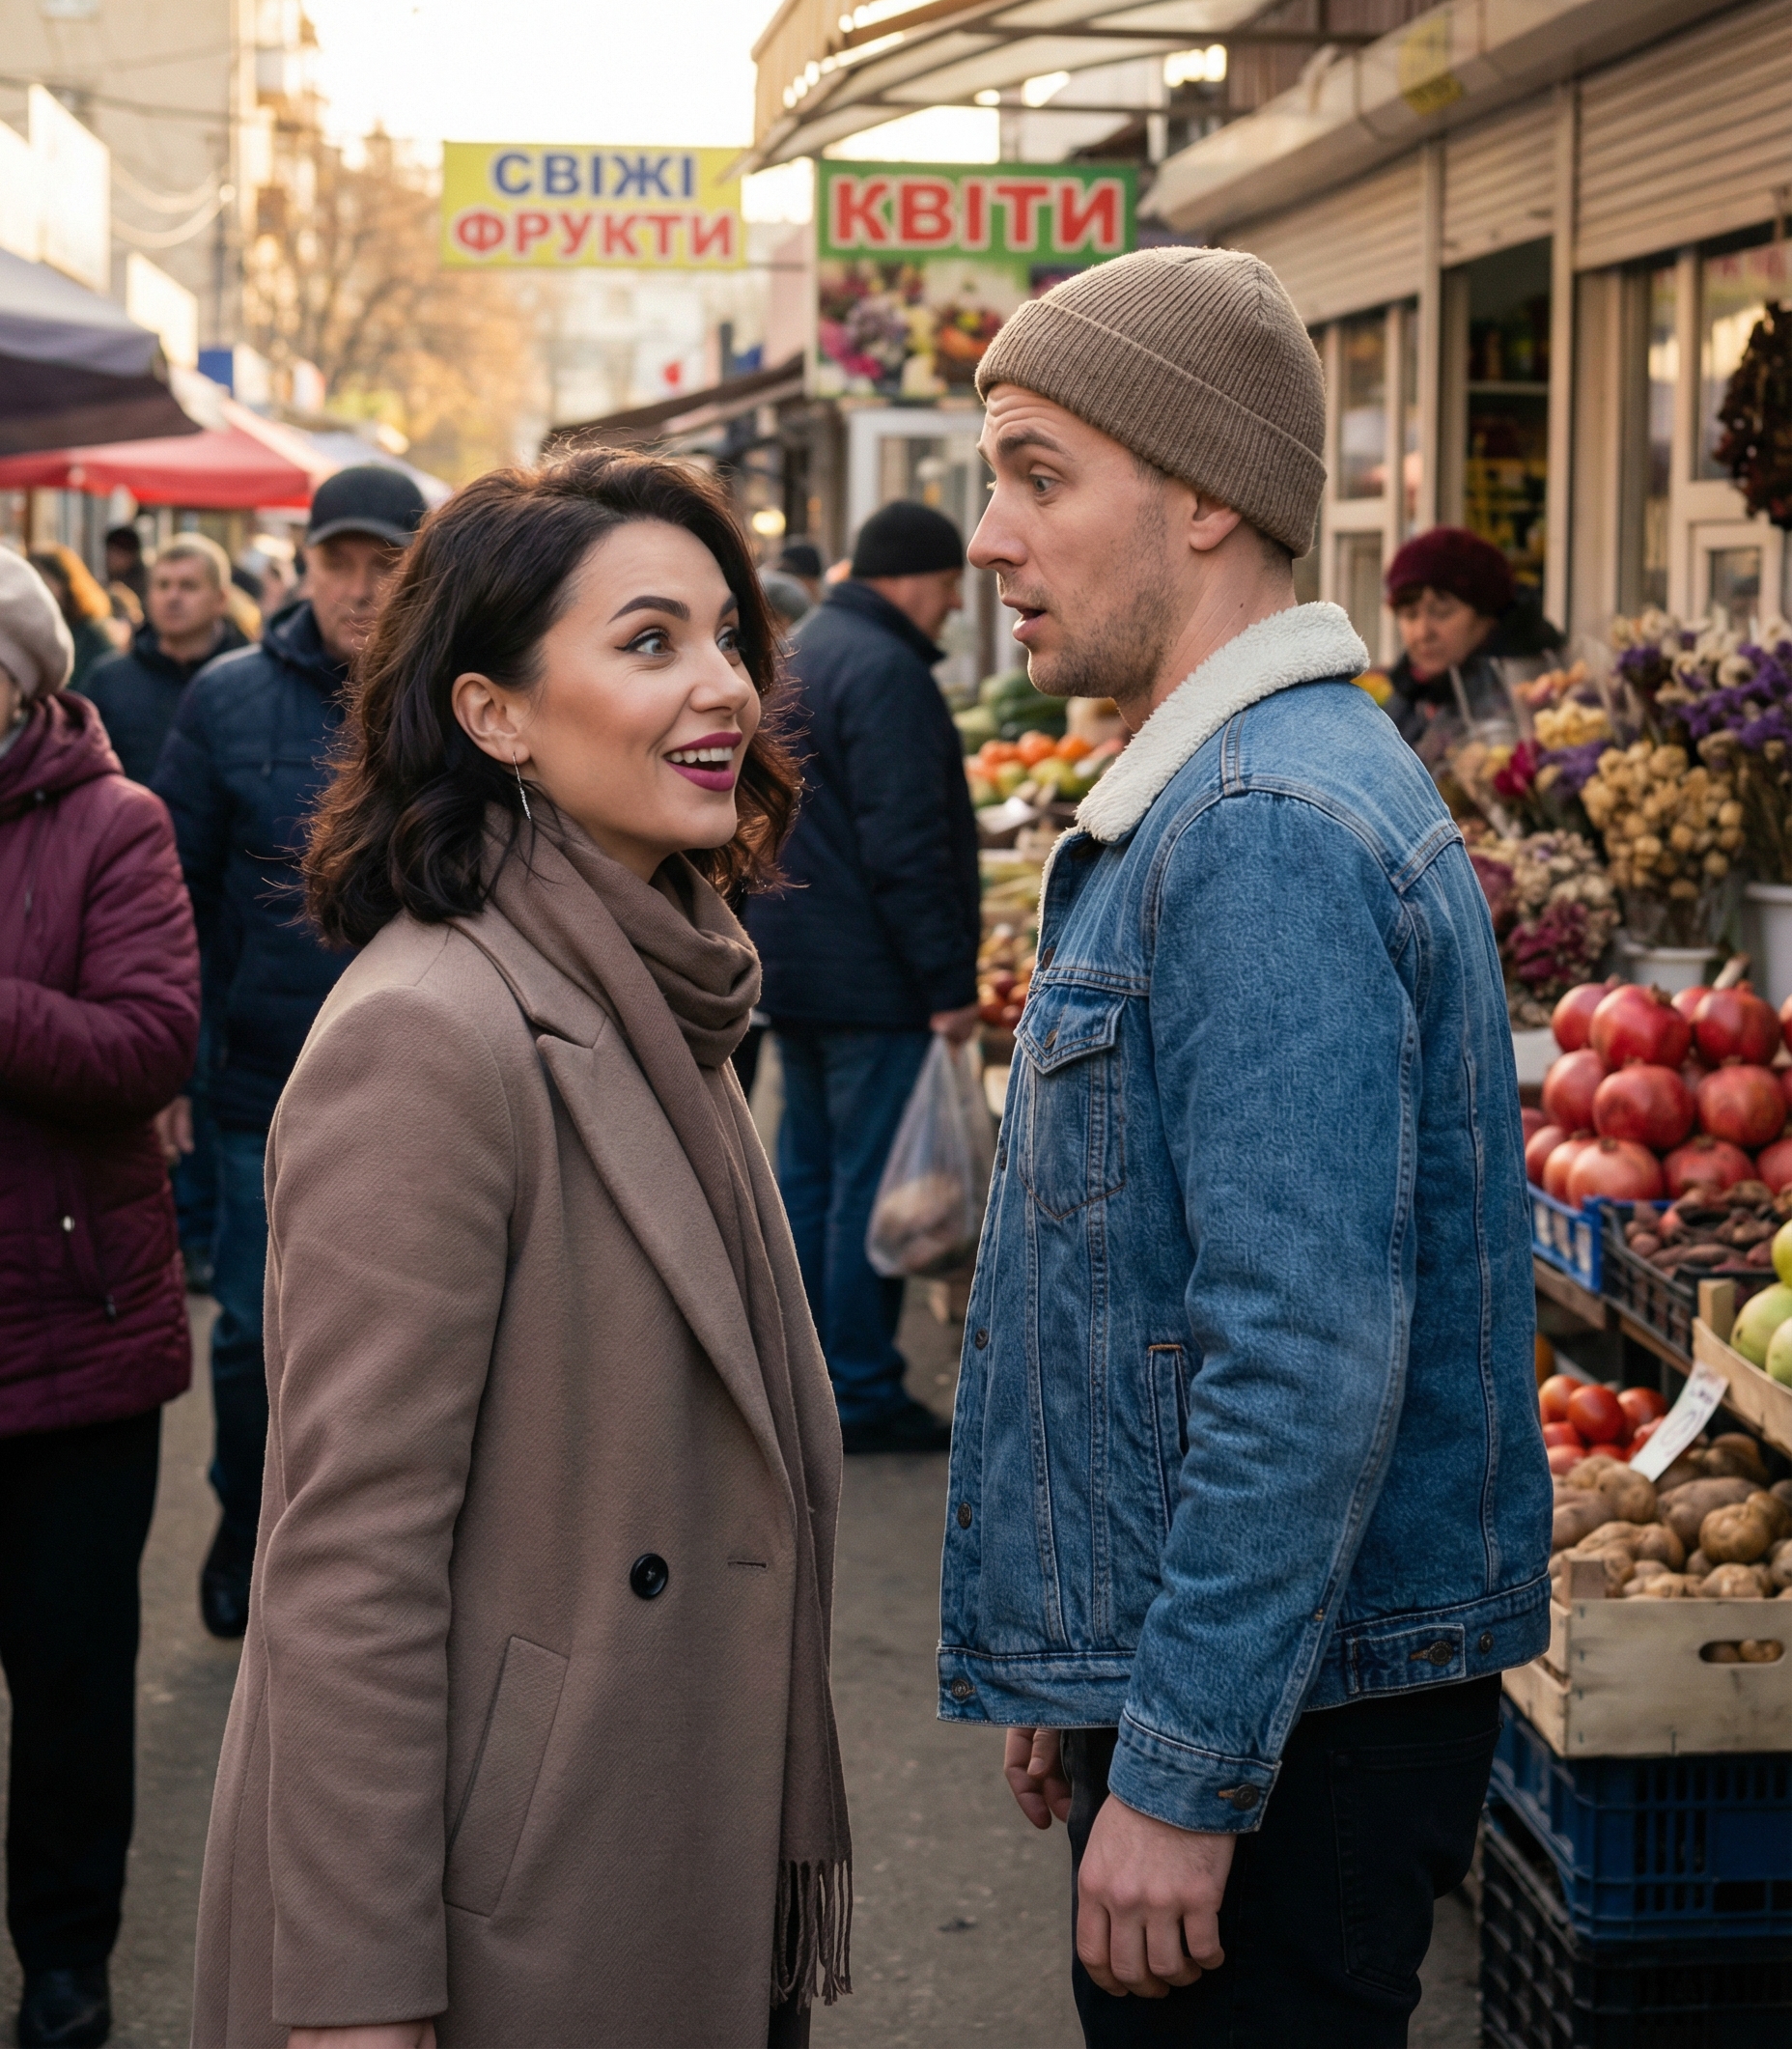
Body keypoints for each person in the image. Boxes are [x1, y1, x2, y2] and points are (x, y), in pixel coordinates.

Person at [941, 249, 1552, 2044]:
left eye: (1037, 473)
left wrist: (1189, 1763)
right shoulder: (1229, 790)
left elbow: (1297, 1357)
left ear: (1205, 494)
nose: (990, 535)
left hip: (1299, 1725)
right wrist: (1092, 1642)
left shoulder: (1265, 823)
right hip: (1280, 1679)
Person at [191, 449, 850, 2049]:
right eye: (648, 641)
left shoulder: (661, 976)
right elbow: (347, 1563)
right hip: (510, 1906)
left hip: (671, 1823)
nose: (724, 689)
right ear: (495, 713)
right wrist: (355, 1996)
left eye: (726, 636)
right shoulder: (433, 1031)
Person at [152, 463, 427, 1640]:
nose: (359, 590)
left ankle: (367, 1562)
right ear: (303, 565)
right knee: (258, 1333)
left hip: (425, 1082)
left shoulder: (461, 695)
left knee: (404, 1337)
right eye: (337, 563)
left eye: (385, 565)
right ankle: (244, 1519)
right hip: (261, 1077)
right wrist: (175, 1059)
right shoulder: (223, 700)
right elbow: (170, 898)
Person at [0, 548, 200, 2049]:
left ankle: (68, 1968)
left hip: (71, 1334)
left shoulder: (115, 825)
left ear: (22, 682)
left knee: (69, 1691)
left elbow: (143, 1048)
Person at [745, 500, 979, 1454]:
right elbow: (906, 845)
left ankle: (798, 1376)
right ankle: (856, 1385)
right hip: (870, 979)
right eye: (951, 586)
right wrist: (946, 982)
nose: (953, 608)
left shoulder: (803, 652)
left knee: (810, 1174)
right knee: (866, 1186)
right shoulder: (886, 673)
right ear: (915, 578)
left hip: (795, 965)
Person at [1382, 525, 1564, 764]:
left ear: (1487, 617)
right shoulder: (1412, 691)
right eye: (1409, 615)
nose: (1423, 632)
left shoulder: (1529, 697)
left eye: (1442, 612)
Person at [86, 537, 249, 786]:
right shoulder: (107, 680)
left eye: (188, 586)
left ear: (220, 600)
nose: (172, 597)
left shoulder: (252, 682)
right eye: (162, 585)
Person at [30, 547, 126, 692]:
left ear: (65, 583)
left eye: (42, 581)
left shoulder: (91, 634)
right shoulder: (32, 632)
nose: (34, 591)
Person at [103, 522, 147, 606]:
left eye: (119, 552)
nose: (113, 557)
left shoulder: (145, 588)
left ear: (133, 555)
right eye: (111, 550)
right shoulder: (107, 581)